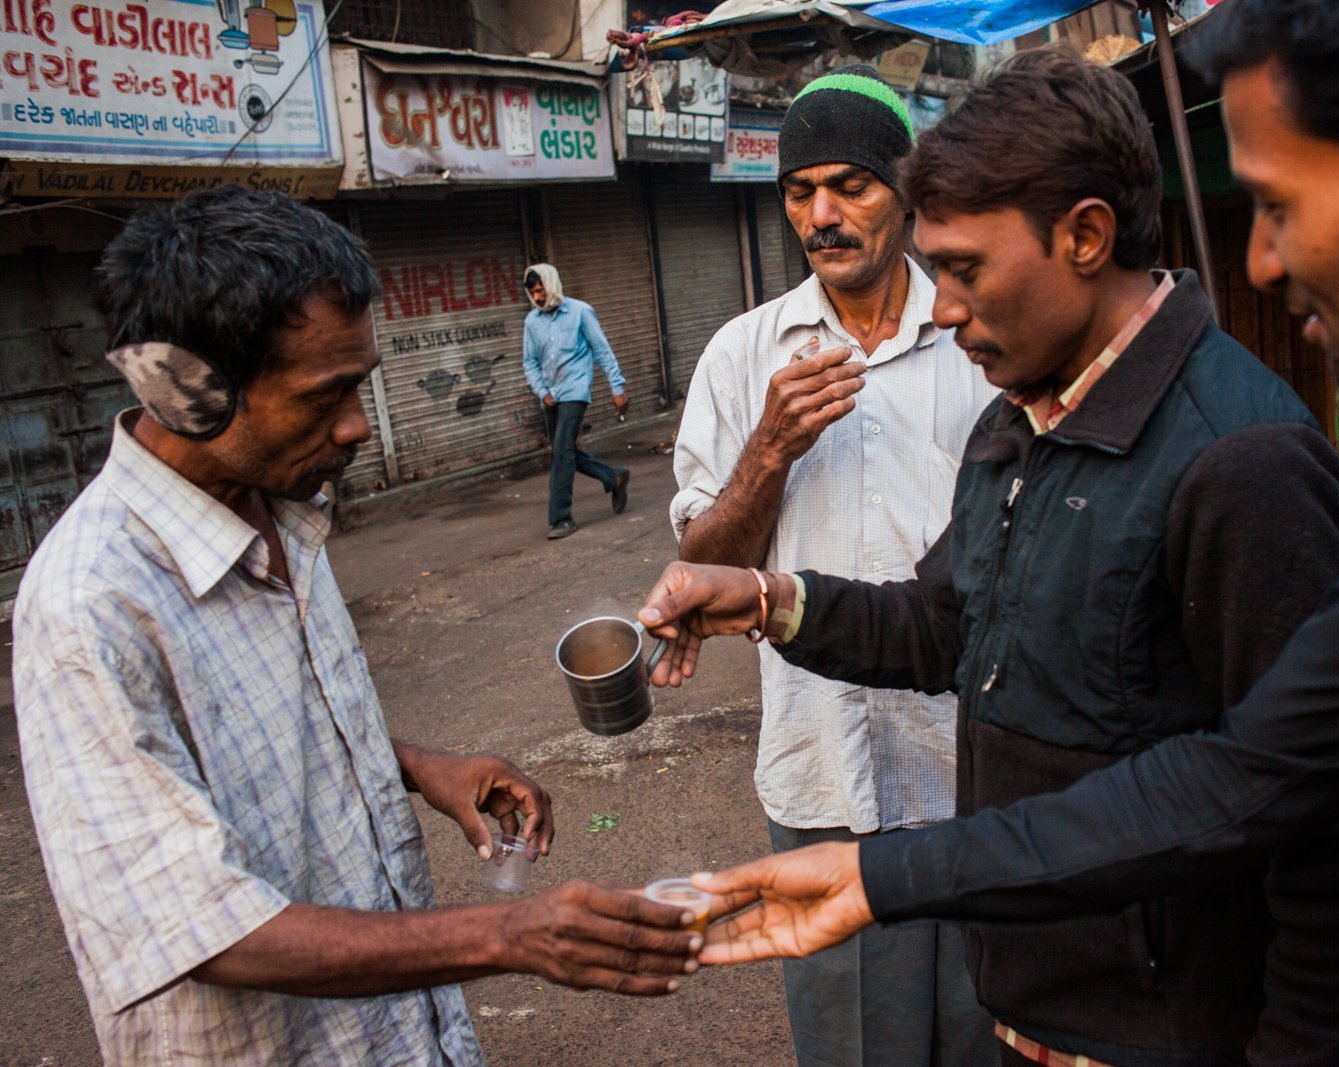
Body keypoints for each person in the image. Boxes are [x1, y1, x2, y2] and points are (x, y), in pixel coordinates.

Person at [647, 1, 1339, 1063]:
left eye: (1277, 205)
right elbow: (1235, 776)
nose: (1266, 266)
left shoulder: (1246, 460)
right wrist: (875, 860)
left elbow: (1323, 846)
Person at [13, 186, 701, 1067]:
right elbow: (201, 930)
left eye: (362, 388)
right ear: (187, 393)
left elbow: (269, 722)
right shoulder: (90, 605)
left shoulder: (288, 512)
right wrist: (508, 932)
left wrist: (415, 765)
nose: (355, 428)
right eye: (325, 395)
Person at [670, 63, 998, 1067]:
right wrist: (769, 448)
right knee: (861, 1039)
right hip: (824, 772)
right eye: (799, 190)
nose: (822, 213)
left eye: (849, 185)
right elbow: (699, 568)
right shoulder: (741, 357)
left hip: (977, 768)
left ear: (906, 193)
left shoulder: (977, 338)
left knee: (996, 1022)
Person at [521, 262, 630, 540]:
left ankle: (562, 518)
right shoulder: (532, 322)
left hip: (575, 391)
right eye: (533, 293)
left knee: (561, 453)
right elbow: (530, 362)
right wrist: (541, 391)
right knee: (563, 451)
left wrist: (617, 387)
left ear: (552, 285)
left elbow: (602, 351)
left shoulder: (581, 312)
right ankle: (613, 478)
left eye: (541, 291)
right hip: (550, 395)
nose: (538, 298)